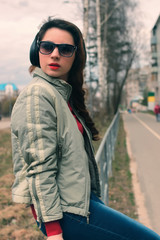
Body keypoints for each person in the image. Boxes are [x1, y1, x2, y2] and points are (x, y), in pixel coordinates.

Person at [11, 17, 160, 240]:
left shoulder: (61, 94)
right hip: (64, 212)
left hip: (79, 203)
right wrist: (53, 233)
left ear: (75, 57)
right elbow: (39, 167)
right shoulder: (38, 95)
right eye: (47, 46)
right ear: (36, 50)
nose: (54, 54)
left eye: (65, 49)